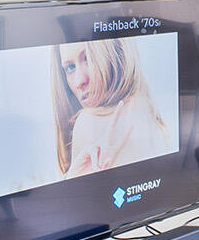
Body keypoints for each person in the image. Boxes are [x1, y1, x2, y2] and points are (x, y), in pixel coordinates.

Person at [54, 37, 174, 178]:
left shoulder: (88, 122)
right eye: (70, 67)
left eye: (89, 58)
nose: (79, 81)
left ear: (112, 53)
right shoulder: (148, 111)